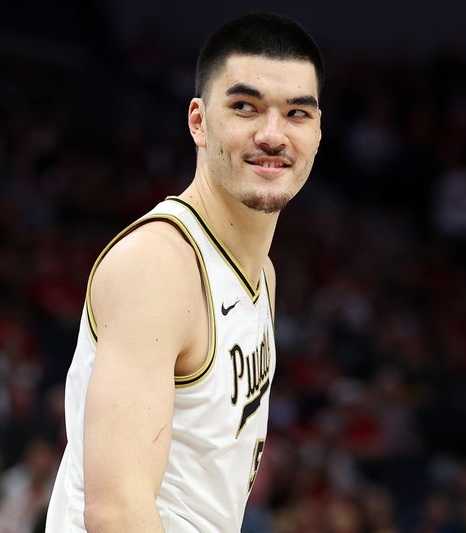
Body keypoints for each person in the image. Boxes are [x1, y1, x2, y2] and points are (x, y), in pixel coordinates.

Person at [45, 12, 323, 533]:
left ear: (318, 131)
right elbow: (116, 513)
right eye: (245, 107)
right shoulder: (159, 266)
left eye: (296, 114)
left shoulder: (262, 273)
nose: (272, 134)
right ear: (198, 120)